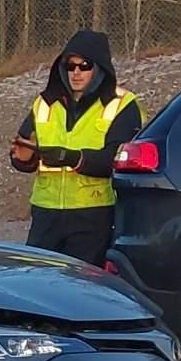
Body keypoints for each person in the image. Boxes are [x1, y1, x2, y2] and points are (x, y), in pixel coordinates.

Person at [10, 30, 140, 266]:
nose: (76, 72)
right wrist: (23, 159)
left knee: (82, 288)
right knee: (36, 283)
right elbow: (24, 149)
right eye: (70, 66)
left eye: (84, 65)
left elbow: (117, 159)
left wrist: (71, 158)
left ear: (99, 68)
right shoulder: (45, 103)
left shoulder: (122, 105)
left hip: (93, 213)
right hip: (45, 212)